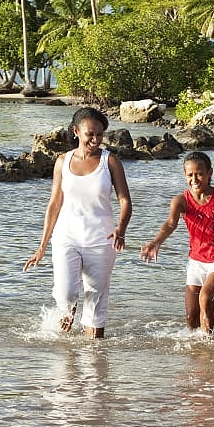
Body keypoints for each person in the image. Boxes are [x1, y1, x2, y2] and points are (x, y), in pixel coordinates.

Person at [24, 107, 132, 339]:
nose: (95, 139)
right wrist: (42, 246)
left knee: (96, 300)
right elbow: (54, 204)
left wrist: (120, 229)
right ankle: (69, 311)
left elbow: (125, 200)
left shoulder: (110, 162)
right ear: (76, 131)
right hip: (66, 237)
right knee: (66, 294)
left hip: (102, 240)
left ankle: (94, 358)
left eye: (100, 135)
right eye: (90, 134)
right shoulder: (62, 161)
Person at [140, 151, 214, 334]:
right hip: (197, 261)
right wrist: (156, 242)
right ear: (184, 175)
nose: (195, 179)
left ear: (210, 173)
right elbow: (170, 224)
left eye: (199, 173)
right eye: (190, 174)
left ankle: (207, 345)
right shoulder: (181, 201)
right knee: (191, 315)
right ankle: (195, 351)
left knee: (206, 297)